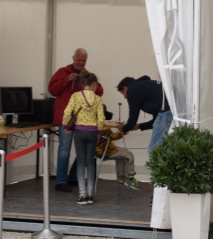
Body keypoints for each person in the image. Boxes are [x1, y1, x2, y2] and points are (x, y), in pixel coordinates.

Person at [48, 49, 104, 192]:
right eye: (79, 60)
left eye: (83, 60)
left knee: (81, 151)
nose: (81, 63)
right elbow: (52, 90)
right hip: (66, 119)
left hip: (82, 122)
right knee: (64, 149)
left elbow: (99, 91)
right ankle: (60, 181)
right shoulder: (63, 72)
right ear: (73, 58)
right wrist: (67, 80)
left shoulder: (87, 75)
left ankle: (72, 177)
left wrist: (87, 82)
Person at [61, 72, 106, 205]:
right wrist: (98, 131)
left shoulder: (75, 96)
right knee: (90, 162)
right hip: (92, 132)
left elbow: (67, 112)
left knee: (80, 162)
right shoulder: (97, 99)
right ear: (94, 84)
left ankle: (82, 194)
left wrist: (65, 125)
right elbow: (101, 118)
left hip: (79, 132)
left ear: (82, 84)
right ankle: (91, 194)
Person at [117, 76, 172, 155]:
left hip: (166, 113)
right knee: (165, 150)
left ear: (125, 88)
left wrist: (123, 129)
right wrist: (139, 126)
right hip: (175, 113)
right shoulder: (148, 88)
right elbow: (156, 121)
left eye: (122, 93)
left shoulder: (132, 90)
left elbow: (132, 120)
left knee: (154, 151)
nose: (125, 97)